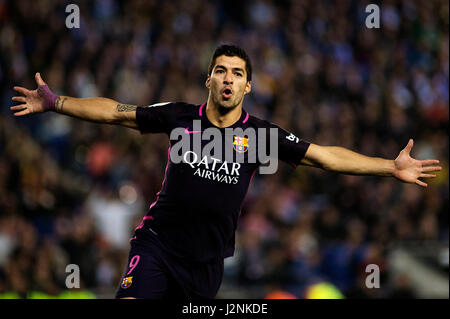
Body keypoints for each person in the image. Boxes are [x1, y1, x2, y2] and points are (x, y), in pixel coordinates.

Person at [11, 44, 442, 299]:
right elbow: (116, 113)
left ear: (248, 86)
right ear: (209, 80)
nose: (228, 79)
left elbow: (326, 156)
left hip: (206, 266)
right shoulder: (179, 117)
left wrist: (389, 166)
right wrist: (56, 102)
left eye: (238, 73)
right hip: (157, 246)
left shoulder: (261, 136)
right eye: (221, 71)